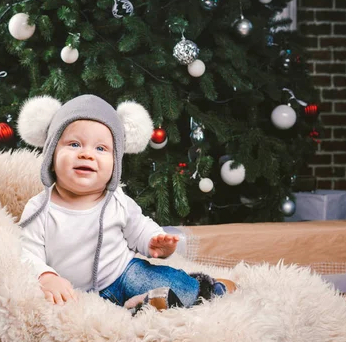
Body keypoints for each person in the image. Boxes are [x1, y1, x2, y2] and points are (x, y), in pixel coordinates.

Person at [17, 94, 235, 309]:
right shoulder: (39, 209)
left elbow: (139, 227)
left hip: (122, 274)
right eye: (74, 144)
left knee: (167, 283)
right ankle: (141, 305)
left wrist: (154, 241)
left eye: (101, 148)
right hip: (72, 291)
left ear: (115, 164)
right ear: (51, 157)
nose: (87, 154)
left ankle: (204, 289)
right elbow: (26, 252)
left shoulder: (117, 202)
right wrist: (46, 277)